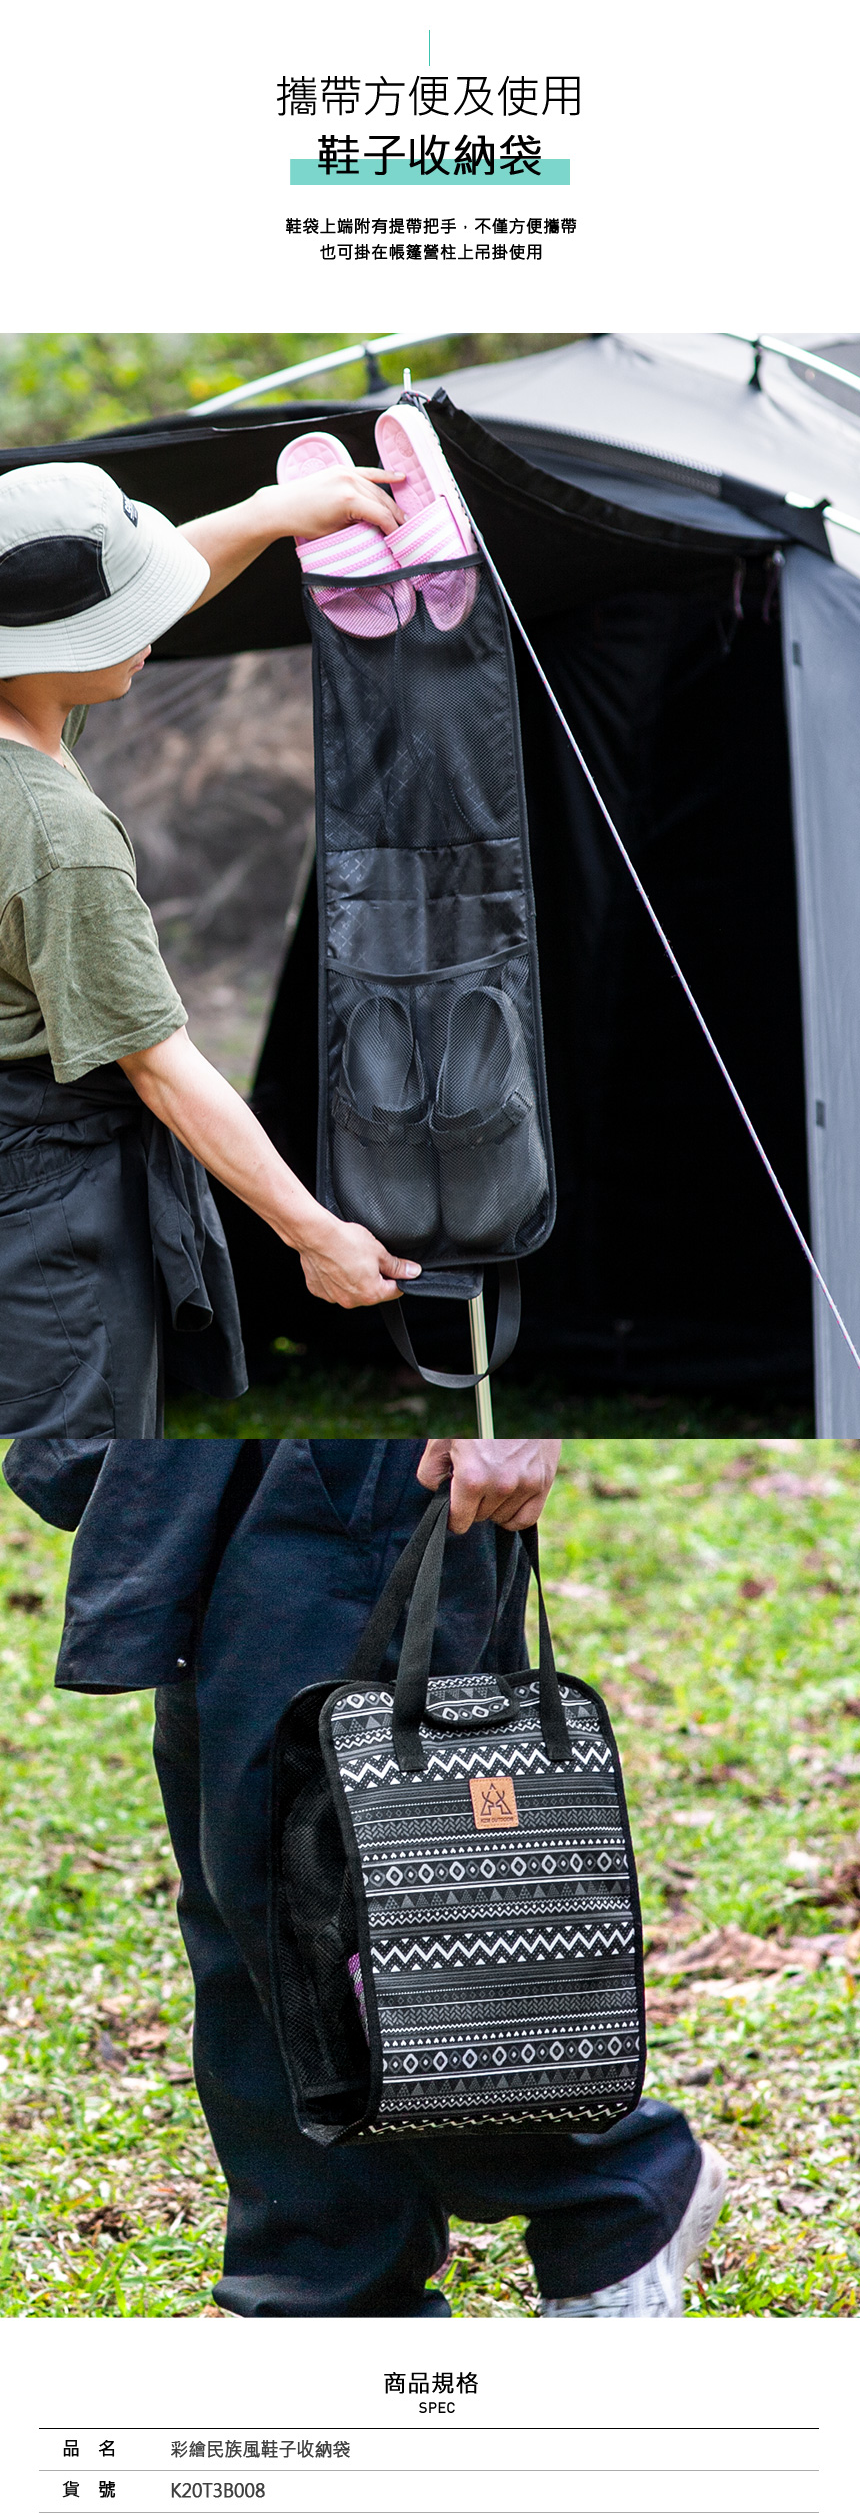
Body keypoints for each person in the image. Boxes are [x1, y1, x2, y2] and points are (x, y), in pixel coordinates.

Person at [38, 1428, 728, 2320]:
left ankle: (616, 2189)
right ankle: (330, 2288)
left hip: (376, 1438)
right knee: (248, 1889)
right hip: (211, 1440)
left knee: (335, 1889)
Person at [0, 453, 419, 1446]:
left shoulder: (25, 704)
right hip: (45, 1170)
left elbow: (136, 600)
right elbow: (162, 1068)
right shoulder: (56, 836)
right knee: (92, 1464)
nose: (147, 631)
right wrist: (313, 1232)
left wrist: (274, 512)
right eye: (121, 621)